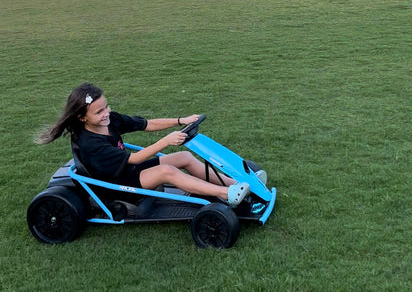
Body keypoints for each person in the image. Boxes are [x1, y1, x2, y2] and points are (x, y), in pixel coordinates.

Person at [37, 82, 252, 207]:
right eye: (99, 112)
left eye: (106, 107)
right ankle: (227, 195)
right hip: (114, 188)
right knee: (167, 171)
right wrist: (166, 141)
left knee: (184, 157)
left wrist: (180, 120)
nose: (106, 114)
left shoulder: (111, 121)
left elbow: (147, 124)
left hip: (127, 172)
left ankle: (235, 183)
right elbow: (134, 158)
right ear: (82, 117)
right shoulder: (90, 143)